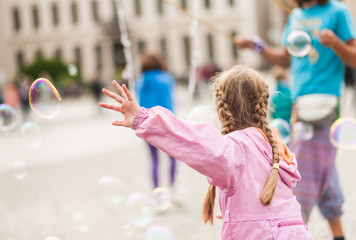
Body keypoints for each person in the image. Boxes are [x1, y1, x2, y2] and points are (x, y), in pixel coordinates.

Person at [100, 65, 312, 239]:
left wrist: (142, 118)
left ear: (220, 110)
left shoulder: (233, 150)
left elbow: (190, 141)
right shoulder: (274, 142)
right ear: (265, 106)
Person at [234, 1, 356, 239]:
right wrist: (255, 45)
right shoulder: (296, 14)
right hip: (300, 105)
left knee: (304, 174)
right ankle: (338, 235)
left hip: (325, 104)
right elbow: (286, 58)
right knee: (322, 170)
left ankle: (294, 230)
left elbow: (353, 58)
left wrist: (336, 44)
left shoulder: (337, 11)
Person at [134, 52, 177, 190]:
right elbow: (169, 102)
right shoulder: (167, 78)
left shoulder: (140, 82)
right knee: (172, 157)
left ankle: (156, 191)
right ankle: (172, 188)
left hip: (147, 124)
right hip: (166, 123)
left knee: (153, 160)